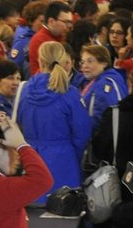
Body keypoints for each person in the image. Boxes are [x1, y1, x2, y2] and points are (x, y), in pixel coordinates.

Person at [16, 42, 90, 204]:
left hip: (31, 159)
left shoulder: (24, 90)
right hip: (63, 160)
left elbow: (19, 123)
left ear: (40, 61)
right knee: (65, 216)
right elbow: (82, 132)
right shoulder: (69, 93)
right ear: (63, 60)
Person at [77, 44, 128, 126]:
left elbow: (101, 119)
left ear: (104, 63)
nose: (85, 66)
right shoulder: (91, 81)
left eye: (90, 61)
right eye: (83, 62)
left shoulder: (106, 84)